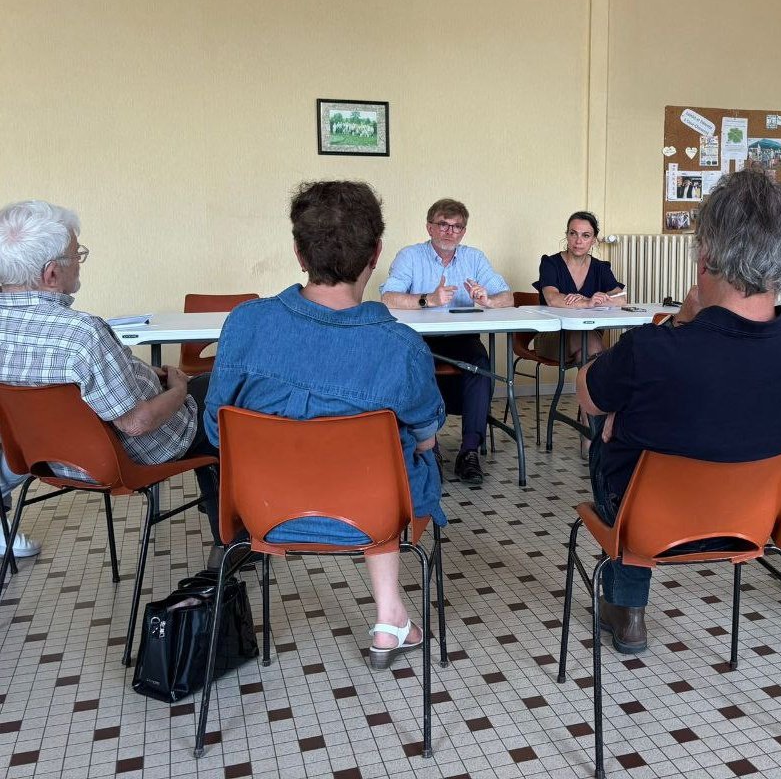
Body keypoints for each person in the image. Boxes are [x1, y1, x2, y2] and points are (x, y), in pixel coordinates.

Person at [576, 169, 781, 654]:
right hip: (757, 528)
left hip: (647, 527)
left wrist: (679, 325)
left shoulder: (653, 349)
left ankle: (628, 610)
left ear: (705, 256)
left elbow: (586, 393)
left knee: (610, 417)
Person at [203, 180, 445, 670]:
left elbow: (215, 429)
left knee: (379, 453)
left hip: (264, 511)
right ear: (376, 254)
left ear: (298, 251)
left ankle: (392, 614)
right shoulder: (401, 348)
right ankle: (388, 614)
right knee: (401, 452)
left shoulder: (245, 323)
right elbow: (427, 436)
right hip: (372, 514)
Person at [0, 200, 221, 557]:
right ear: (51, 274)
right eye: (77, 255)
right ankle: (231, 538)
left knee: (210, 389)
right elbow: (137, 423)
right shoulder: (81, 333)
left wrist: (146, 372)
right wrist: (179, 388)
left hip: (43, 456)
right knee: (222, 401)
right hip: (121, 455)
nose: (80, 261)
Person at [380, 198, 510, 486]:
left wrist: (488, 300)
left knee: (481, 366)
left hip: (462, 339)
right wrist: (428, 299)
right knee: (416, 366)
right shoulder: (410, 256)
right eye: (443, 224)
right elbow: (388, 298)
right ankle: (431, 451)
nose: (450, 231)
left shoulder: (474, 258)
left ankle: (469, 451)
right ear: (429, 227)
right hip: (421, 340)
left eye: (457, 227)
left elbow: (507, 297)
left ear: (464, 231)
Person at [533, 210, 625, 360]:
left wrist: (600, 298)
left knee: (585, 350)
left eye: (585, 235)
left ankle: (589, 383)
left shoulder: (600, 267)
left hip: (587, 332)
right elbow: (552, 298)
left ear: (594, 240)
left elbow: (621, 299)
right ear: (567, 235)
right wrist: (588, 302)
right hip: (552, 334)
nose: (578, 241)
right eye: (573, 233)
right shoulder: (550, 263)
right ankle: (606, 379)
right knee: (590, 342)